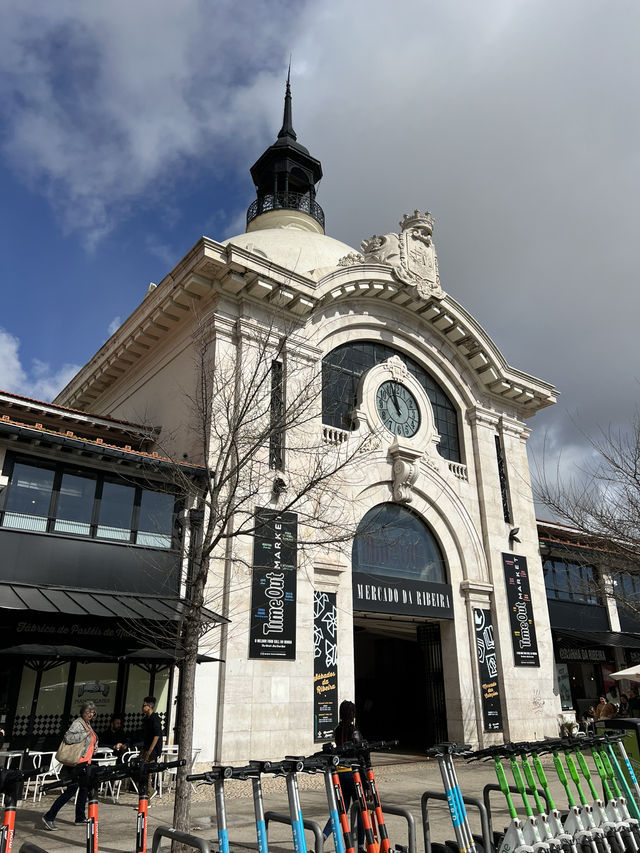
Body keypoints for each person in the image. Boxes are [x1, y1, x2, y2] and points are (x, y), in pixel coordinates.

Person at [42, 701, 98, 831]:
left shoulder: (87, 724)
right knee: (71, 790)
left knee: (84, 789)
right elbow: (68, 738)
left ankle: (80, 817)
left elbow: (91, 740)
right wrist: (84, 735)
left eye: (92, 712)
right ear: (83, 712)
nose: (90, 714)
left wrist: (94, 747)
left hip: (85, 762)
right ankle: (49, 816)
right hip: (76, 763)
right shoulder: (78, 723)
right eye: (88, 712)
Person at [322, 700, 364, 850]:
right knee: (360, 808)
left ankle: (322, 837)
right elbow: (360, 754)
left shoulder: (337, 730)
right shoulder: (354, 731)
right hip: (352, 773)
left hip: (339, 773)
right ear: (351, 714)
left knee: (342, 810)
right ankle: (360, 845)